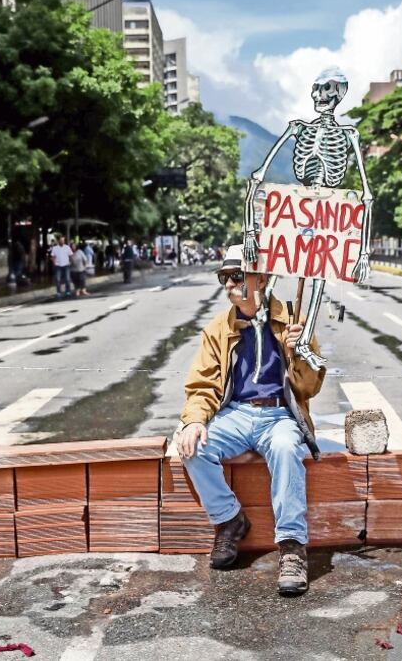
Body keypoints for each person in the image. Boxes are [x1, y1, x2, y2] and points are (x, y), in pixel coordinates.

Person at [175, 244, 325, 596]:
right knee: (193, 447)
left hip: (279, 414)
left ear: (263, 278)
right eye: (223, 278)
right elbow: (202, 385)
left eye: (237, 276)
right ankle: (229, 521)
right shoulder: (218, 329)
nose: (229, 285)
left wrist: (298, 351)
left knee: (288, 448)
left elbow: (311, 386)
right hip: (237, 414)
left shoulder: (292, 318)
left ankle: (291, 547)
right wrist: (195, 421)